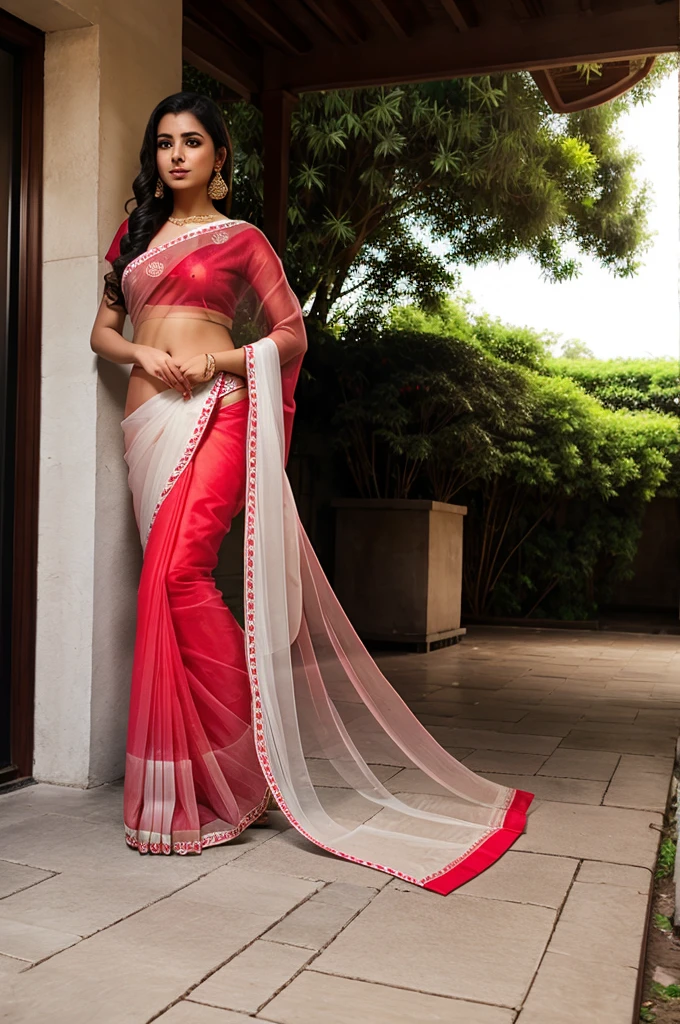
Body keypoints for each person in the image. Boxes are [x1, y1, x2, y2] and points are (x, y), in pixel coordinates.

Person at [90, 91, 533, 893]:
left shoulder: (244, 239)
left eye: (193, 142)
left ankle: (246, 760)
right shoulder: (135, 237)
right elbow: (102, 331)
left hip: (217, 409)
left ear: (221, 158)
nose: (176, 155)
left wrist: (218, 364)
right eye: (164, 143)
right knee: (160, 587)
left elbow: (290, 332)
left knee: (183, 576)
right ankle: (198, 779)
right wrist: (143, 358)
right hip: (149, 417)